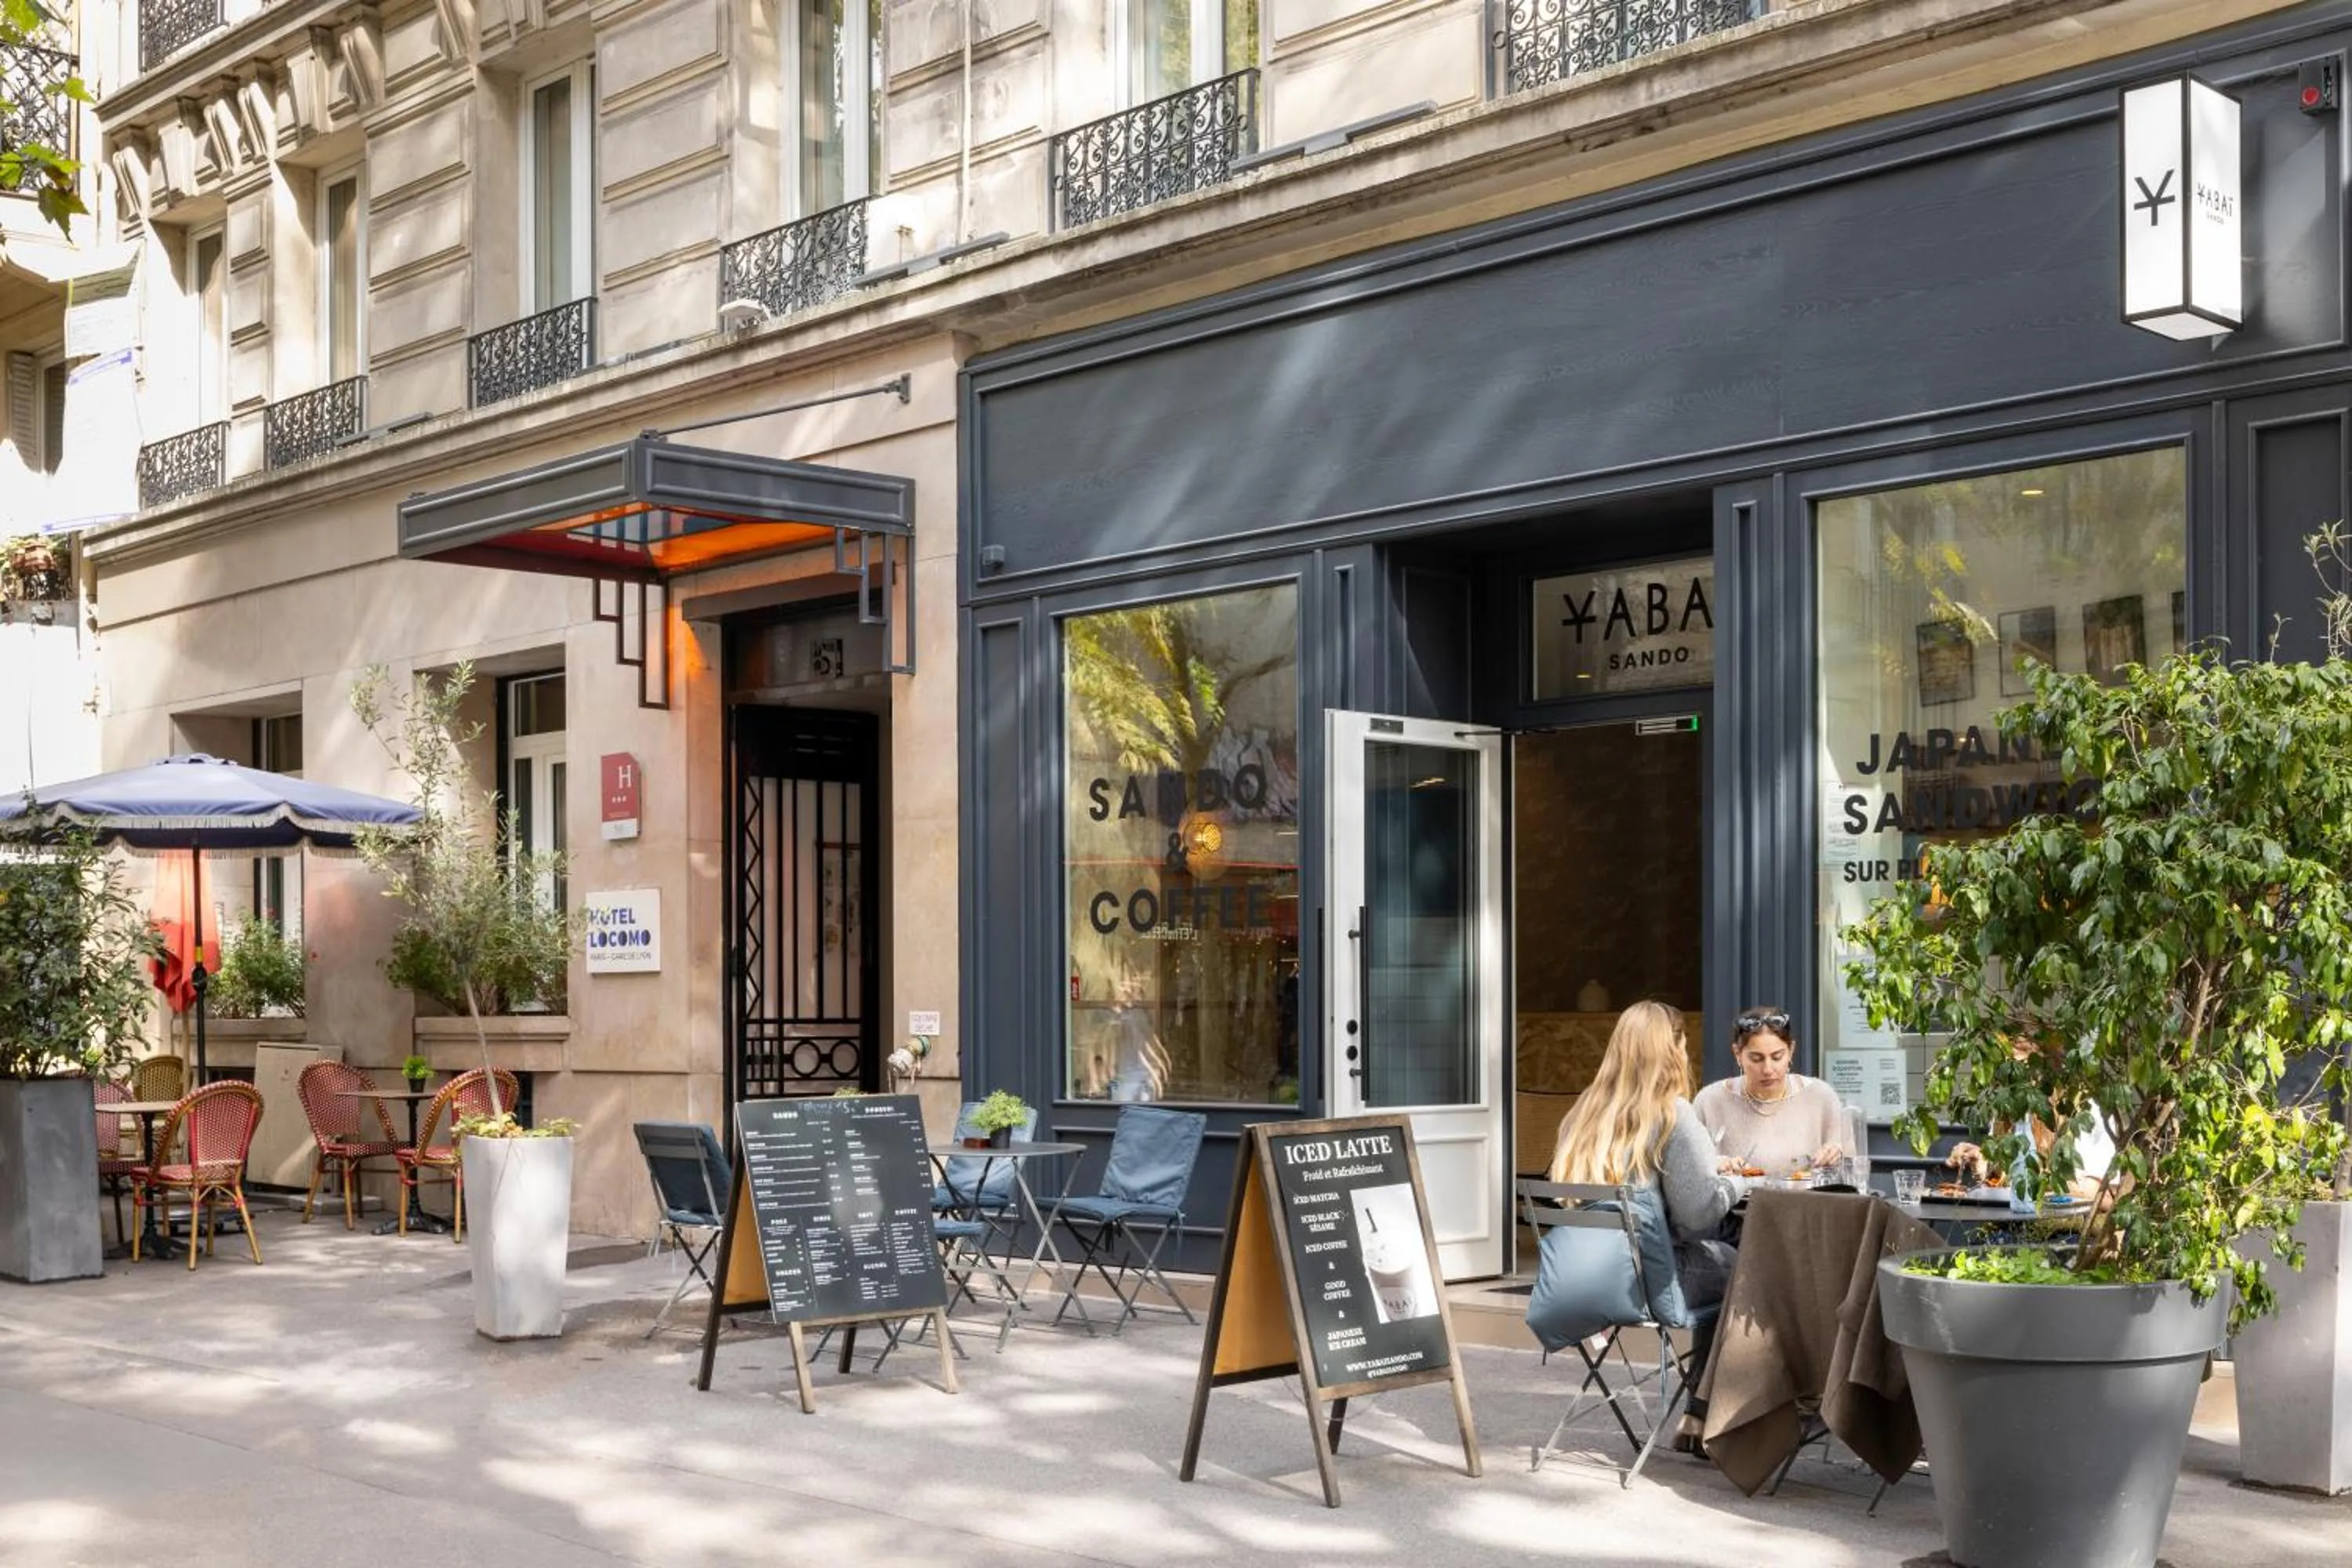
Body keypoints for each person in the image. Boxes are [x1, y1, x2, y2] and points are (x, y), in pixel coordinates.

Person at [1548, 1001, 1746, 1453]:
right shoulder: (1673, 1113)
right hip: (1650, 1282)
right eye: (1682, 1042)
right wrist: (1732, 1181)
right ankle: (1713, 1413)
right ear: (1672, 1048)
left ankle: (1700, 1416)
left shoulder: (1583, 1112)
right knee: (1745, 1265)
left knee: (1721, 1263)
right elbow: (1699, 1213)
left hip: (1586, 1280)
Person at [1692, 1007, 1847, 1178]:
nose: (1767, 1069)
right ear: (1737, 1054)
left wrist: (1836, 1156)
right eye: (1756, 1059)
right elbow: (1692, 1169)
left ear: (1791, 1050)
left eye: (1777, 1057)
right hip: (1739, 1205)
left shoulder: (1821, 1097)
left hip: (1808, 1204)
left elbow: (1851, 1174)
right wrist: (1716, 1163)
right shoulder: (1709, 1102)